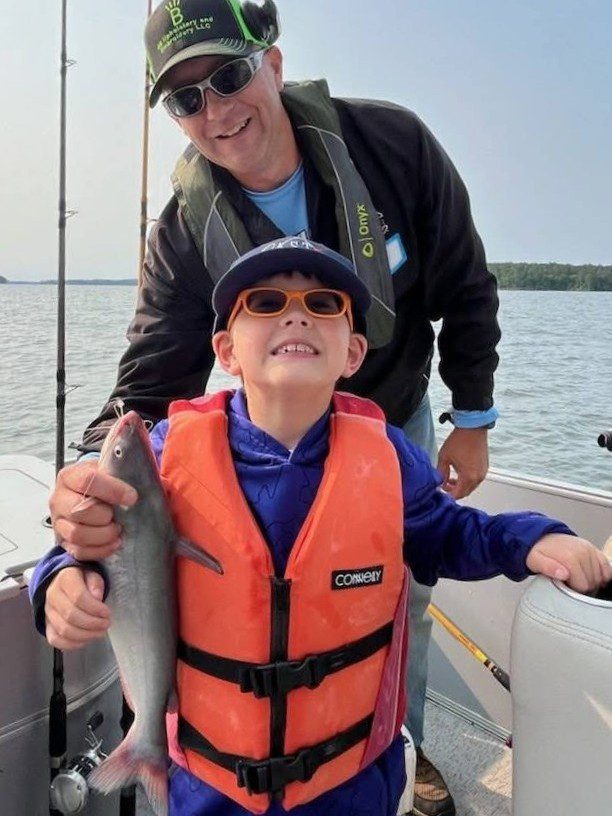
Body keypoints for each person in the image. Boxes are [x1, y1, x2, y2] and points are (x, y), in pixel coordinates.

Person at [45, 2, 503, 812]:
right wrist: (86, 479)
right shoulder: (185, 230)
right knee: (281, 593)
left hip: (393, 420)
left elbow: (465, 284)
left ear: (275, 65)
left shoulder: (394, 145)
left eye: (228, 76)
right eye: (185, 99)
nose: (216, 112)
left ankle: (398, 738)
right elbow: (146, 383)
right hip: (273, 442)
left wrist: (473, 420)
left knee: (405, 602)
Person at [31, 238, 612, 816]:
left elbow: (455, 534)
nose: (296, 312)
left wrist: (535, 538)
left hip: (351, 785)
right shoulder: (163, 455)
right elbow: (94, 542)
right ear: (226, 350)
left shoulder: (389, 455)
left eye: (324, 304)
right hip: (210, 788)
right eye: (264, 301)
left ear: (353, 352)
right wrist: (58, 580)